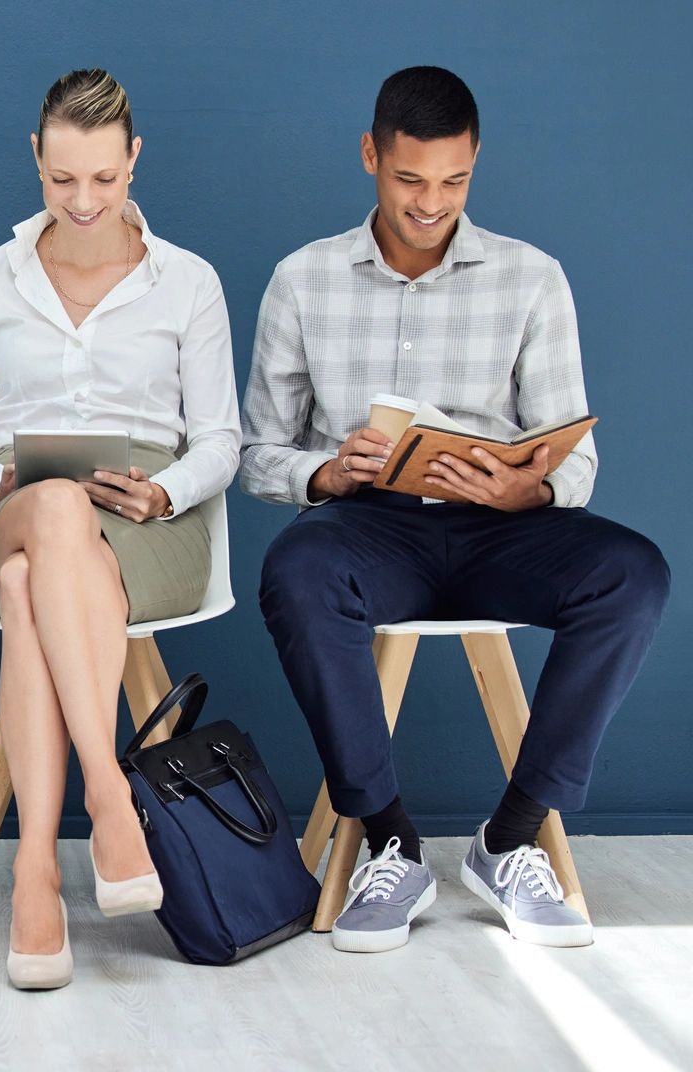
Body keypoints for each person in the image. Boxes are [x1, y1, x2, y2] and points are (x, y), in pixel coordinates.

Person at [243, 66, 669, 953]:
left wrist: (534, 486)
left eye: (453, 180)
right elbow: (256, 453)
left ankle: (510, 837)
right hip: (368, 526)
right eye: (409, 180)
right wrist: (329, 473)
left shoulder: (531, 278)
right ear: (371, 156)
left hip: (499, 527)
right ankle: (389, 842)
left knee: (633, 573)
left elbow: (574, 450)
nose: (431, 203)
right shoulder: (302, 279)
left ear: (474, 164)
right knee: (295, 569)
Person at [0, 69, 240, 989]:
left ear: (134, 158)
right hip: (14, 510)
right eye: (64, 179)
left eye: (105, 177)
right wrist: (3, 480)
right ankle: (109, 796)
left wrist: (168, 492)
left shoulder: (189, 283)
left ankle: (33, 876)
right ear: (37, 159)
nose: (85, 200)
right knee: (51, 510)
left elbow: (220, 437)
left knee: (34, 583)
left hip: (149, 526)